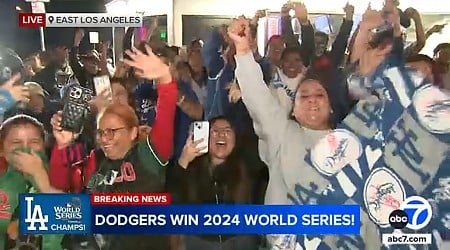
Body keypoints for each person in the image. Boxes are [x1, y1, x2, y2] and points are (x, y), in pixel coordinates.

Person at [14, 44, 178, 250]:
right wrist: (63, 146)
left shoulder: (148, 156)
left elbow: (166, 113)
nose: (105, 138)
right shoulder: (95, 160)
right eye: (101, 132)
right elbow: (63, 204)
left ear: (133, 132)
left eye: (112, 131)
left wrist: (164, 77)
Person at [168, 116, 258, 250]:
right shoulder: (191, 167)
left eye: (227, 131)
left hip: (240, 242)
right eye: (214, 131)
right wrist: (184, 160)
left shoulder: (247, 163)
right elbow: (172, 199)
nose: (221, 134)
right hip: (200, 242)